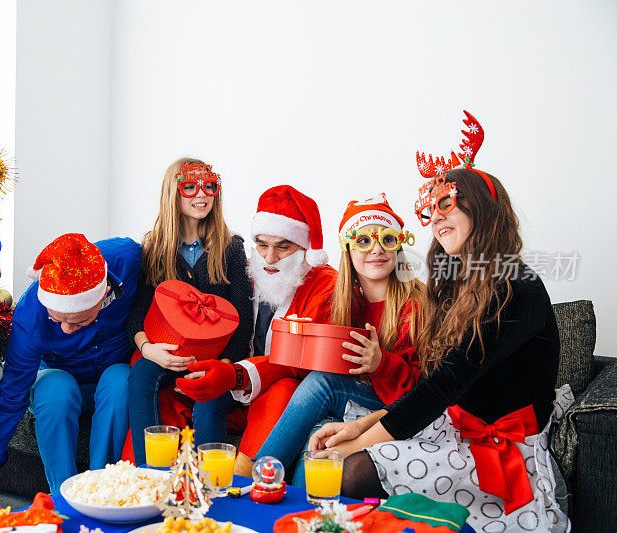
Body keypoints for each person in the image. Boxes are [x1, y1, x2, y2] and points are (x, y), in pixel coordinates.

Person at [309, 159, 571, 531]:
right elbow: (433, 386)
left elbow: (445, 384)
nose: (434, 217)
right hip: (454, 425)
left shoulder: (517, 285)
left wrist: (355, 446)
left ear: (481, 206)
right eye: (429, 209)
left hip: (501, 450)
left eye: (445, 203)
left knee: (350, 469)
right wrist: (358, 428)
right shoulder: (456, 285)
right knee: (340, 446)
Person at [0, 233, 141, 532]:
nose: (66, 329)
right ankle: (63, 501)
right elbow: (10, 404)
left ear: (102, 296)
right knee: (55, 388)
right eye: (56, 320)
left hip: (112, 375)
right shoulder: (29, 316)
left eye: (76, 321)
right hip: (57, 379)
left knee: (122, 379)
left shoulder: (127, 257)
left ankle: (104, 492)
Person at [244, 193, 423, 486]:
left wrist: (381, 363)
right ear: (348, 250)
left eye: (387, 240)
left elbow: (425, 388)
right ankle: (302, 513)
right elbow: (330, 361)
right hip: (351, 401)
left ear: (399, 247)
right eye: (363, 241)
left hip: (394, 405)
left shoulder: (416, 305)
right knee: (322, 434)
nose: (375, 250)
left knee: (322, 382)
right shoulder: (343, 300)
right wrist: (304, 338)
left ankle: (260, 479)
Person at [175, 185, 337, 466]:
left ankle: (245, 476)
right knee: (205, 397)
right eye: (262, 244)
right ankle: (204, 479)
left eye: (283, 247)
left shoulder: (326, 284)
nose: (269, 258)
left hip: (280, 388)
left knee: (284, 387)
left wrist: (236, 374)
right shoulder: (248, 269)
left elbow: (299, 361)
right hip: (236, 379)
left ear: (304, 247)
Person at [126, 157, 254, 465]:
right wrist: (149, 350)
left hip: (219, 358)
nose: (202, 195)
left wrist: (222, 365)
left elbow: (244, 318)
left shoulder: (231, 247)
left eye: (209, 187)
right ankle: (149, 475)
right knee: (141, 373)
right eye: (190, 187)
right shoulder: (155, 248)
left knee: (208, 401)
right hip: (170, 354)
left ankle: (214, 488)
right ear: (173, 193)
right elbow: (138, 312)